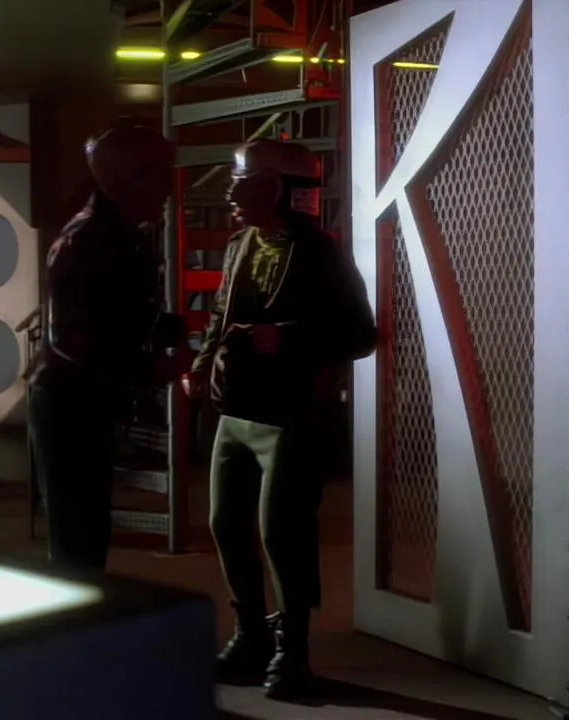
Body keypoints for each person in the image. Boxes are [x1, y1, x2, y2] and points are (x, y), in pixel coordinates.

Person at [182, 139, 377, 700]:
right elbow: (221, 314)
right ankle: (251, 636)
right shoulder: (240, 244)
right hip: (235, 409)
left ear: (284, 190)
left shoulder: (321, 253)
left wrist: (288, 338)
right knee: (225, 523)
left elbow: (360, 334)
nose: (233, 191)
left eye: (250, 181)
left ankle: (293, 651)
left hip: (290, 414)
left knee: (282, 534)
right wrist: (201, 364)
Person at [27, 121, 178, 571]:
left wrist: (159, 328)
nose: (170, 187)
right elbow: (81, 339)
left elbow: (110, 314)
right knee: (79, 540)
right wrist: (152, 368)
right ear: (134, 179)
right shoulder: (96, 240)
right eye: (162, 173)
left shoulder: (111, 233)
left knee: (84, 531)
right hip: (75, 406)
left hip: (78, 402)